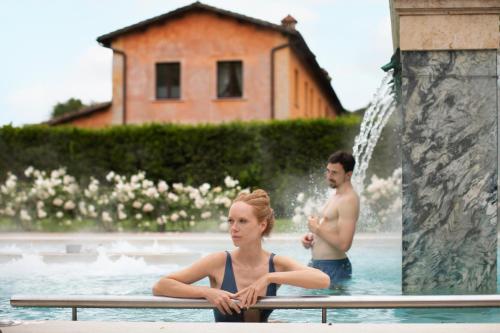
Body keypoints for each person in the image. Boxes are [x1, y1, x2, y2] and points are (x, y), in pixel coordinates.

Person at [153, 189, 330, 322]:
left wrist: (268, 278)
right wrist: (206, 292)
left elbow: (322, 280)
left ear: (262, 225)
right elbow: (161, 286)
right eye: (231, 221)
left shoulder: (275, 264)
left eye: (242, 221)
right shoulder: (219, 261)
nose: (234, 228)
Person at [301, 151, 360, 287]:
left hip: (334, 267)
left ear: (348, 175)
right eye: (328, 171)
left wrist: (317, 229)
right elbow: (329, 229)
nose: (329, 176)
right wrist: (311, 237)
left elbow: (345, 244)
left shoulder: (349, 200)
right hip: (319, 264)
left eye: (334, 173)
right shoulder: (336, 195)